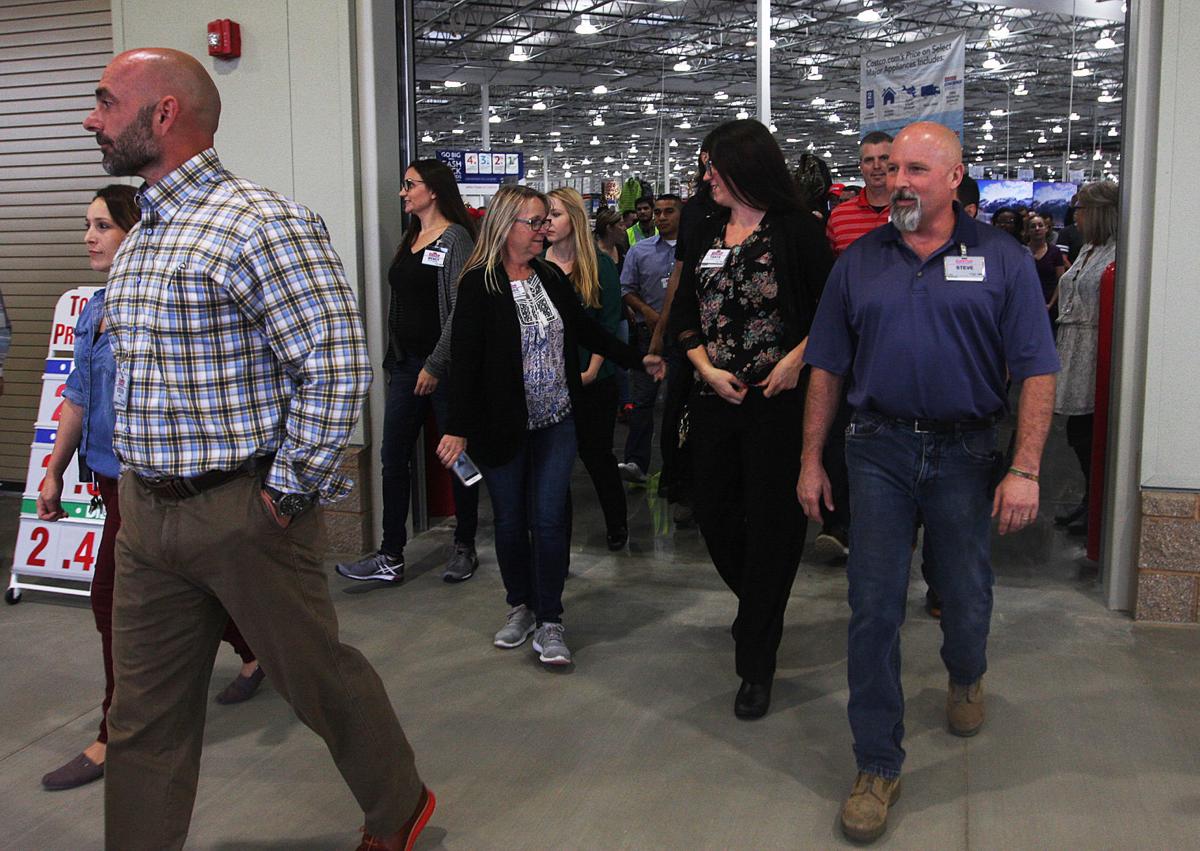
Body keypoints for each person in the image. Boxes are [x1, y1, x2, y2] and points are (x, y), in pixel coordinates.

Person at [82, 49, 433, 851]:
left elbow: (335, 362)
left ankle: (398, 801)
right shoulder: (141, 237)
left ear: (163, 115)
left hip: (244, 510)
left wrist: (284, 493)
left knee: (319, 681)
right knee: (141, 718)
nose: (91, 118)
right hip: (146, 517)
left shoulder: (260, 223)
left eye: (105, 102)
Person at [798, 122, 1059, 844]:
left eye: (916, 168)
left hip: (966, 452)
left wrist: (1026, 466)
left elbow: (1037, 369)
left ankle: (966, 670)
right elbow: (827, 366)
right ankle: (877, 762)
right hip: (875, 449)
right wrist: (810, 458)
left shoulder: (1002, 260)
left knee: (965, 590)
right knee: (873, 606)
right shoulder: (858, 263)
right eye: (892, 170)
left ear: (954, 178)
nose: (897, 180)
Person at [36, 186, 265, 793]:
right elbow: (80, 395)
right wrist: (55, 468)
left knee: (112, 602)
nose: (90, 236)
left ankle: (116, 733)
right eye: (86, 224)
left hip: (153, 483)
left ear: (135, 233)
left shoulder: (157, 305)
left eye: (103, 226)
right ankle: (254, 648)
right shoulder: (94, 310)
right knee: (186, 590)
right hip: (108, 478)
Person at [436, 185, 664, 667]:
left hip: (557, 419)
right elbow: (466, 362)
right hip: (503, 427)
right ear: (506, 227)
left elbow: (586, 329)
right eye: (535, 223)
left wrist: (637, 359)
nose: (544, 231)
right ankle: (521, 604)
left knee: (550, 518)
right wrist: (456, 428)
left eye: (546, 221)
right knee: (512, 522)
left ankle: (552, 618)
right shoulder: (479, 284)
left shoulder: (547, 276)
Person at [669, 119, 833, 720]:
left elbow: (833, 313)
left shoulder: (797, 232)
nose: (705, 174)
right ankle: (762, 608)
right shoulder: (708, 227)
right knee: (713, 515)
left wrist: (795, 360)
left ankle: (755, 661)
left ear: (745, 167)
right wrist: (703, 368)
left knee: (773, 526)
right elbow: (685, 310)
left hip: (778, 406)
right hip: (715, 401)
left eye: (713, 165)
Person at [336, 159, 481, 584]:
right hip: (405, 366)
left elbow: (462, 309)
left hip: (444, 368)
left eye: (409, 184)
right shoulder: (412, 237)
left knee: (458, 460)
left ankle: (464, 545)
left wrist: (436, 363)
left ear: (432, 190)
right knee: (392, 457)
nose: (403, 192)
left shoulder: (455, 239)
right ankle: (391, 554)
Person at [545, 187, 629, 550]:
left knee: (597, 457)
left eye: (556, 215)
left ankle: (617, 524)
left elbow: (609, 323)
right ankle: (556, 541)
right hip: (548, 383)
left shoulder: (599, 265)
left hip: (592, 379)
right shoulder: (535, 264)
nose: (547, 222)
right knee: (553, 468)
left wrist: (592, 369)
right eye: (544, 215)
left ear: (575, 219)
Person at [1052, 180, 1119, 535]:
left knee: (1090, 432)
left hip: (1095, 351)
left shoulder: (1116, 253)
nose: (1075, 216)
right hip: (1074, 347)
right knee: (1078, 433)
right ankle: (1088, 499)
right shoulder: (1087, 249)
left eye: (1081, 209)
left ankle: (1095, 503)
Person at [619, 193, 682, 485]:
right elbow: (626, 289)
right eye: (658, 212)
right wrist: (647, 312)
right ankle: (636, 462)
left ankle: (677, 469)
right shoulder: (639, 251)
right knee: (642, 401)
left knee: (678, 403)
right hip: (648, 336)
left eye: (669, 211)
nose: (662, 217)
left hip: (684, 338)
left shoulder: (694, 250)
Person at [826, 131, 893, 255]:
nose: (877, 165)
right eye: (869, 160)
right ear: (861, 166)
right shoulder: (838, 217)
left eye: (884, 158)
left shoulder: (914, 210)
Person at [1025, 212, 1069, 329]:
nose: (1037, 229)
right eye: (1033, 226)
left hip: (1049, 306)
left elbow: (1061, 280)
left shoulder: (1055, 252)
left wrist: (1050, 304)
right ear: (1028, 231)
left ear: (1046, 229)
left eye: (1040, 225)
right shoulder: (1022, 252)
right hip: (1026, 304)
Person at [594, 206, 627, 271]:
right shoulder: (594, 253)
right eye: (621, 225)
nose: (625, 228)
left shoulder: (620, 249)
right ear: (609, 228)